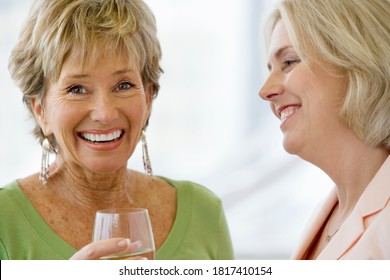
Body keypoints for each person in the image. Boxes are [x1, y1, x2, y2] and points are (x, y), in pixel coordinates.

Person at [0, 0, 234, 260]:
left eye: (123, 85)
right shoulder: (4, 222)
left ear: (147, 97)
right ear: (40, 110)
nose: (105, 113)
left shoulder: (204, 213)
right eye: (77, 89)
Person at [259, 0, 390, 259]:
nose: (265, 91)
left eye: (289, 61)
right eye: (270, 69)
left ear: (357, 59)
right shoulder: (327, 214)